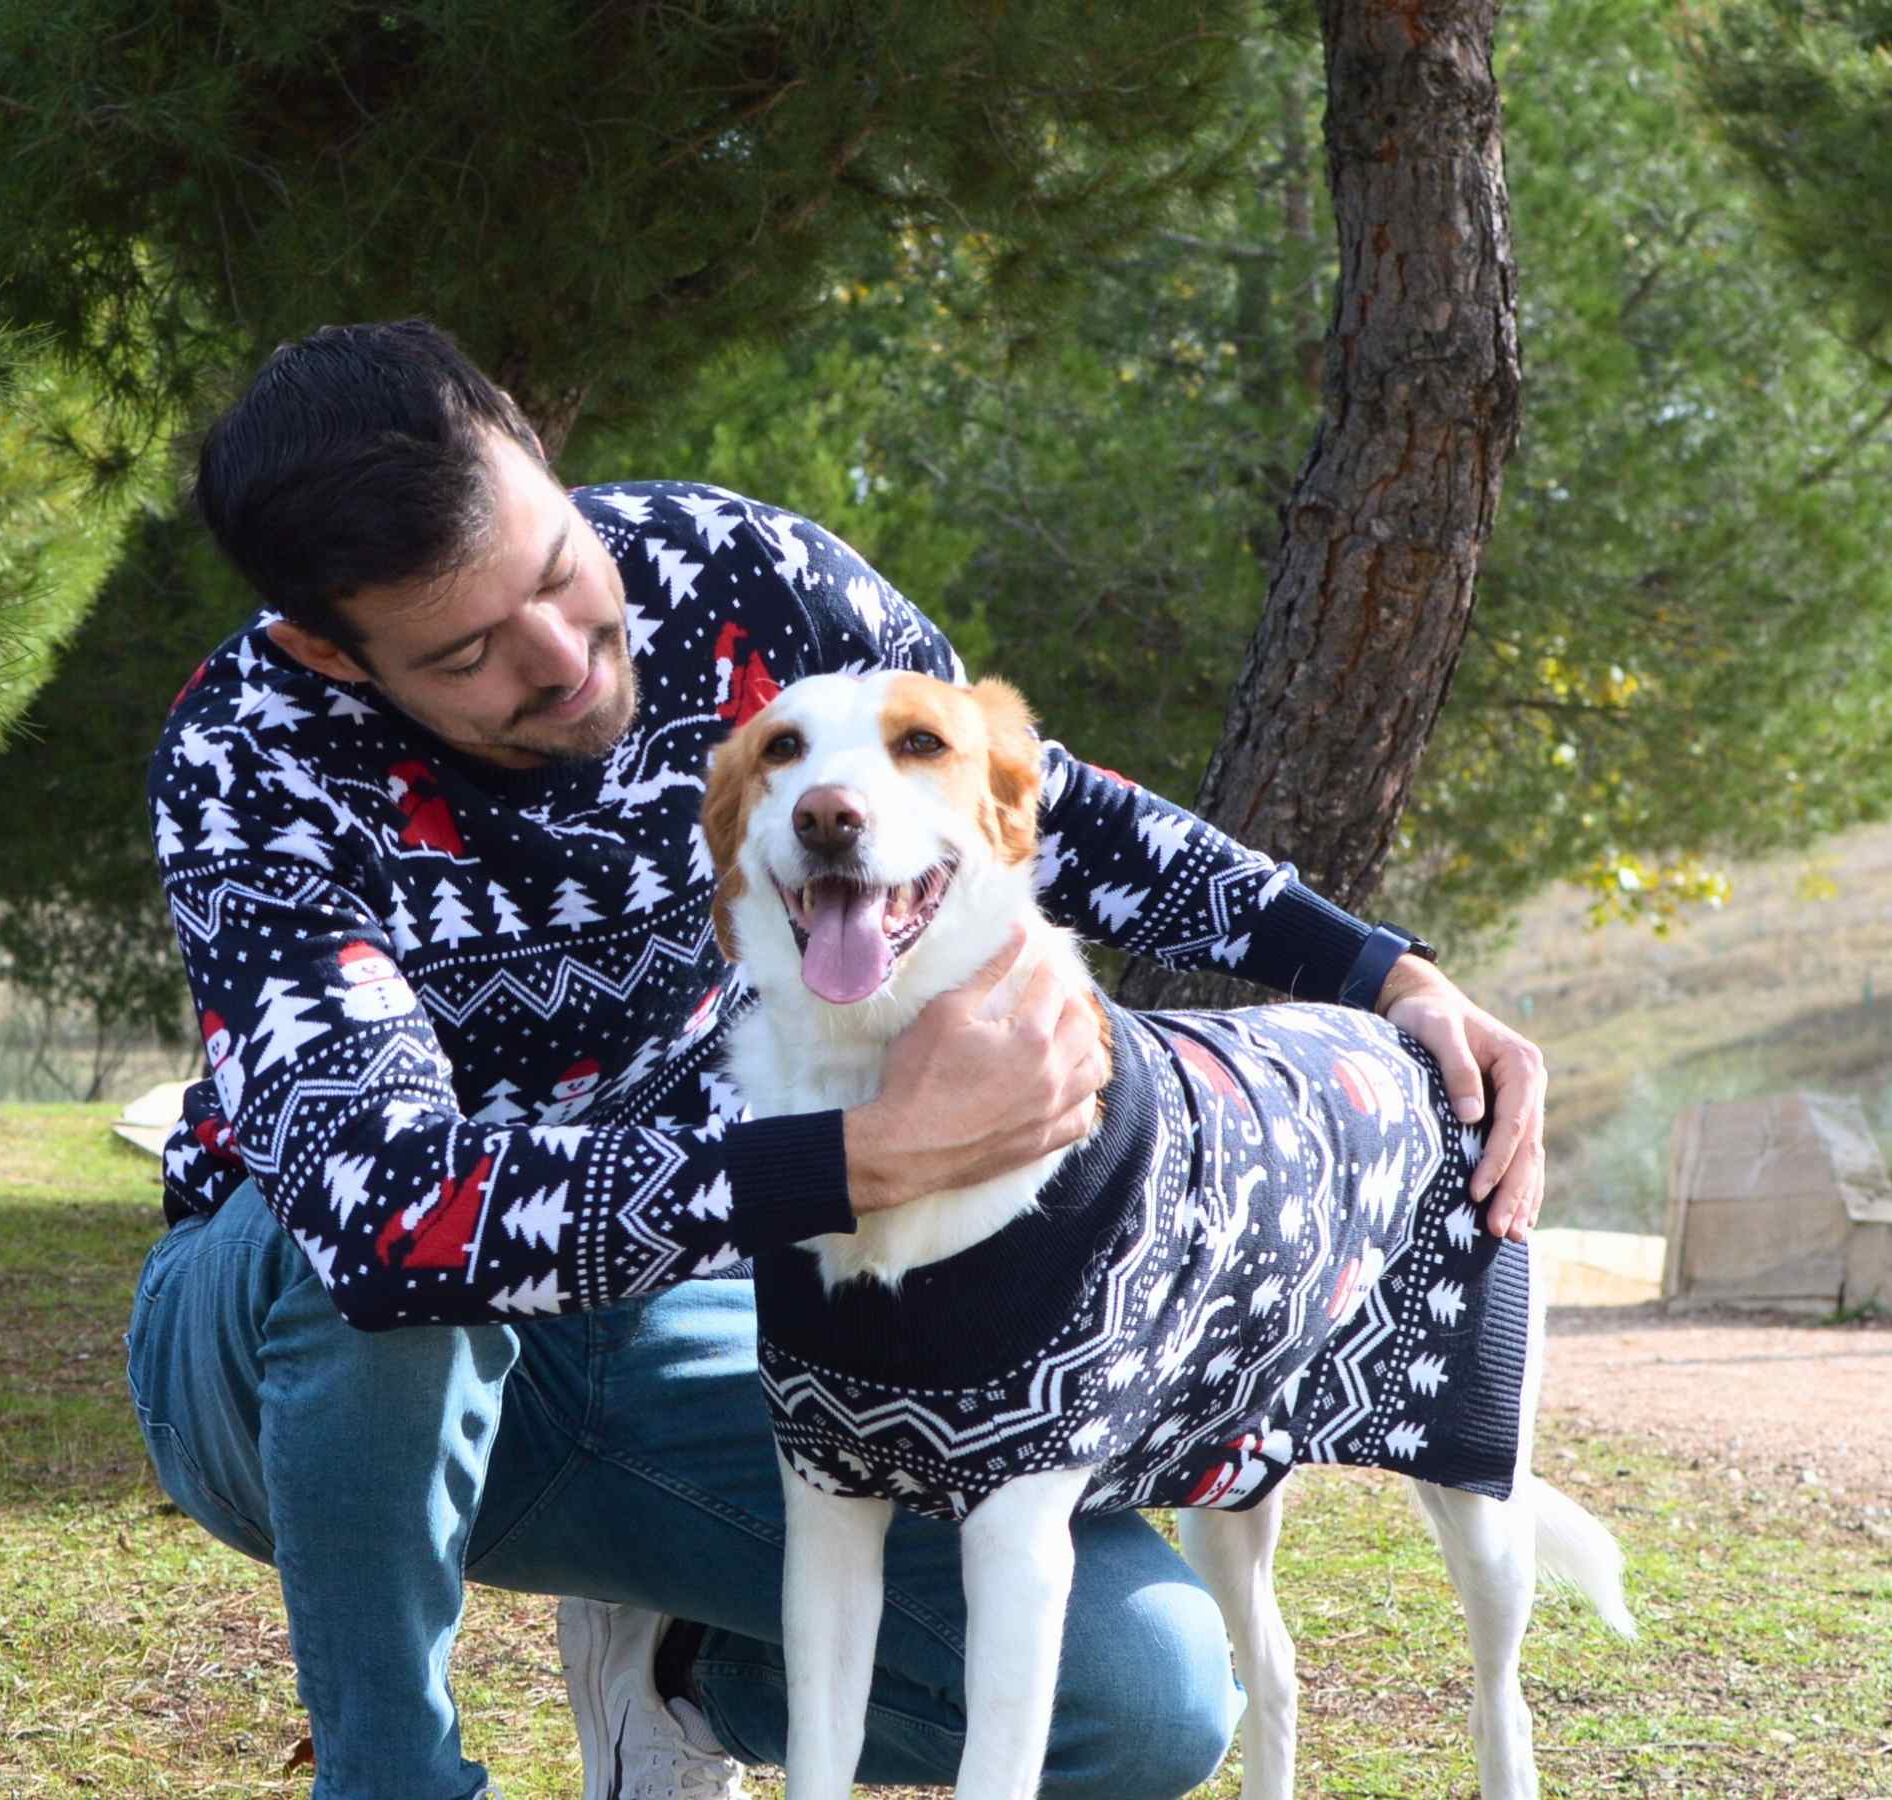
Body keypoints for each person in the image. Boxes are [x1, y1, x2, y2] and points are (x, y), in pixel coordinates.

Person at [125, 320, 1554, 1798]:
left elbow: (1019, 799)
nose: (563, 657)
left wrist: (1381, 969)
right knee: (375, 1267)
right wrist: (858, 1161)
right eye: (468, 652)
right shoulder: (253, 753)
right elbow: (390, 1220)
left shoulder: (738, 576)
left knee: (1140, 1700)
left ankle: (677, 1673)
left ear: (544, 460)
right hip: (296, 1363)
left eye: (555, 571)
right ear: (326, 647)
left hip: (679, 1306)